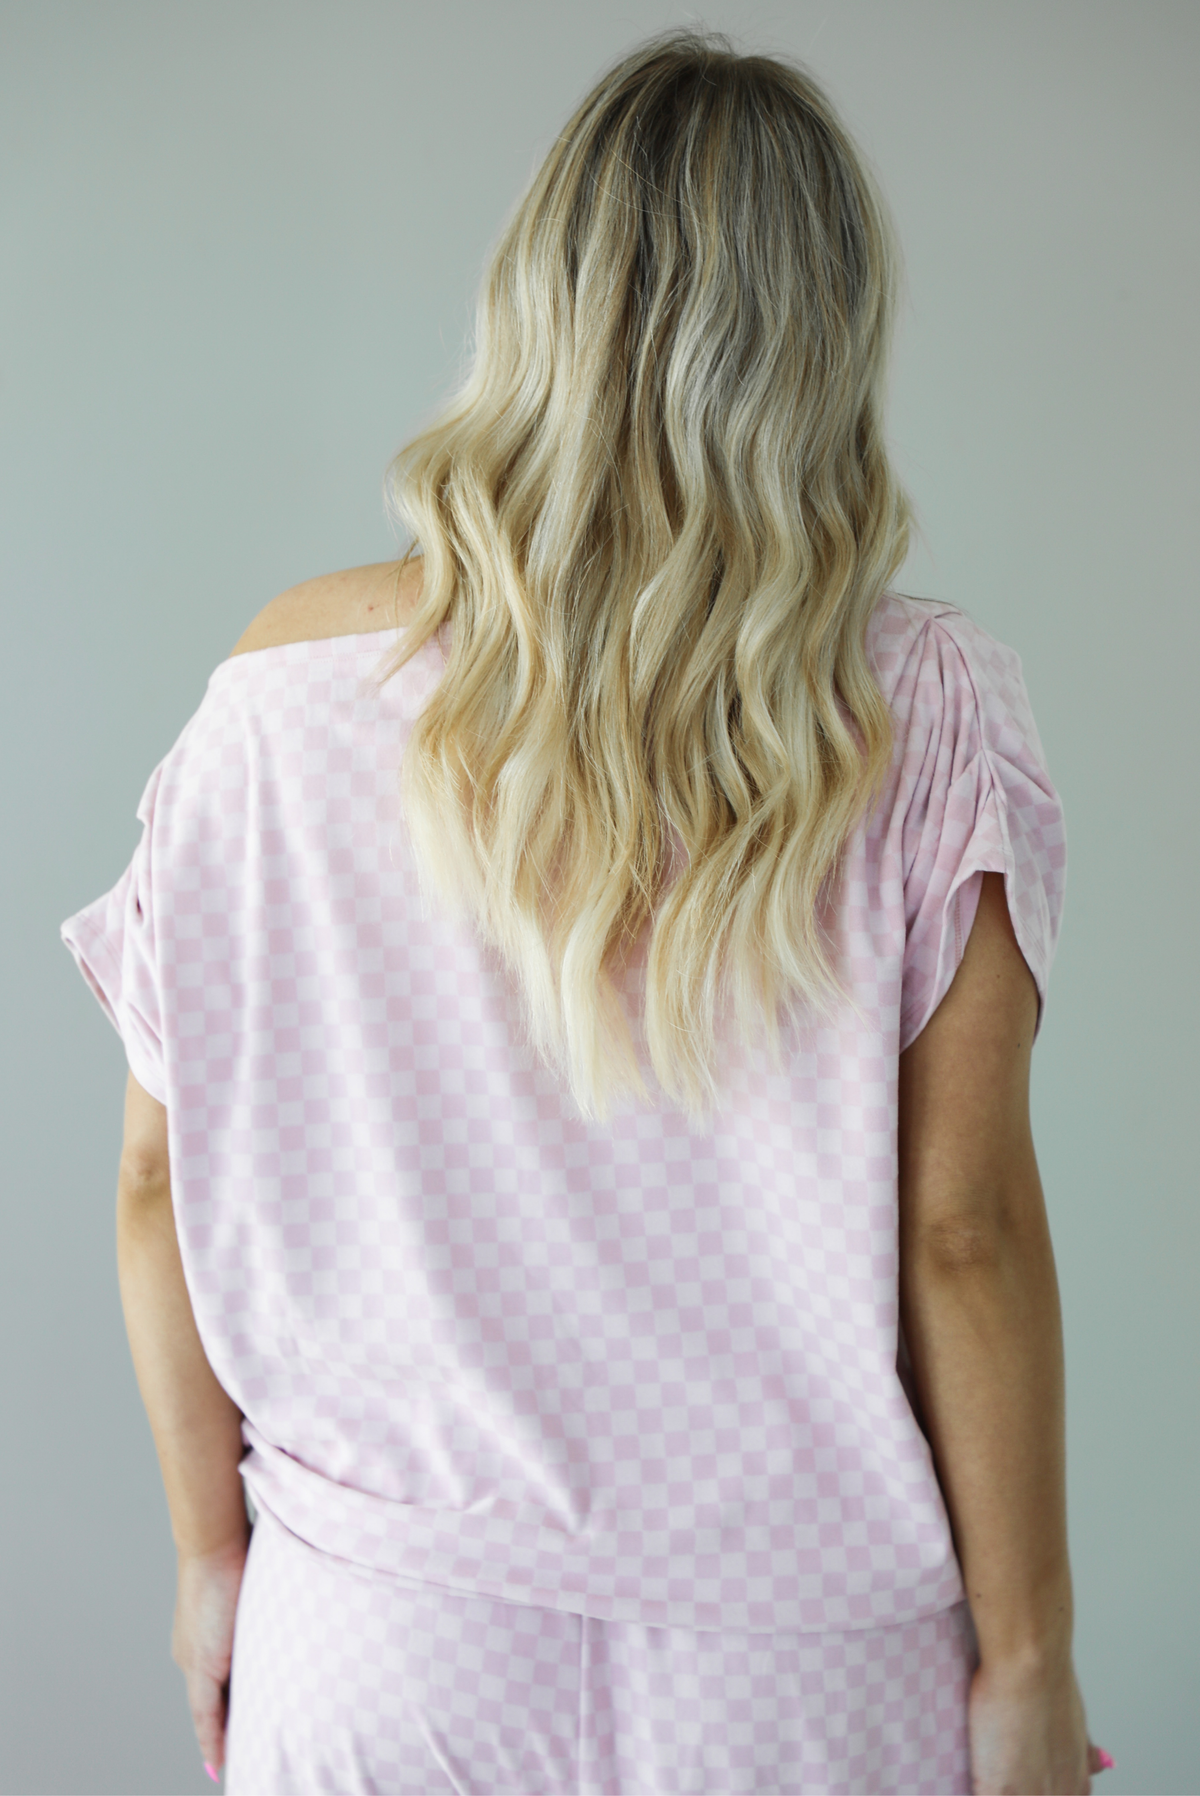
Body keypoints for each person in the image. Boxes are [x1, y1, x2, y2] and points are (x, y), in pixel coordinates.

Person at [61, 28, 1113, 1796]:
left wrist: (204, 1565)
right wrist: (1028, 1659)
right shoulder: (932, 709)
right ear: (827, 343)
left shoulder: (278, 693)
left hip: (382, 1634)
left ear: (531, 302)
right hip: (808, 1669)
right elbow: (965, 1238)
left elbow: (161, 1182)